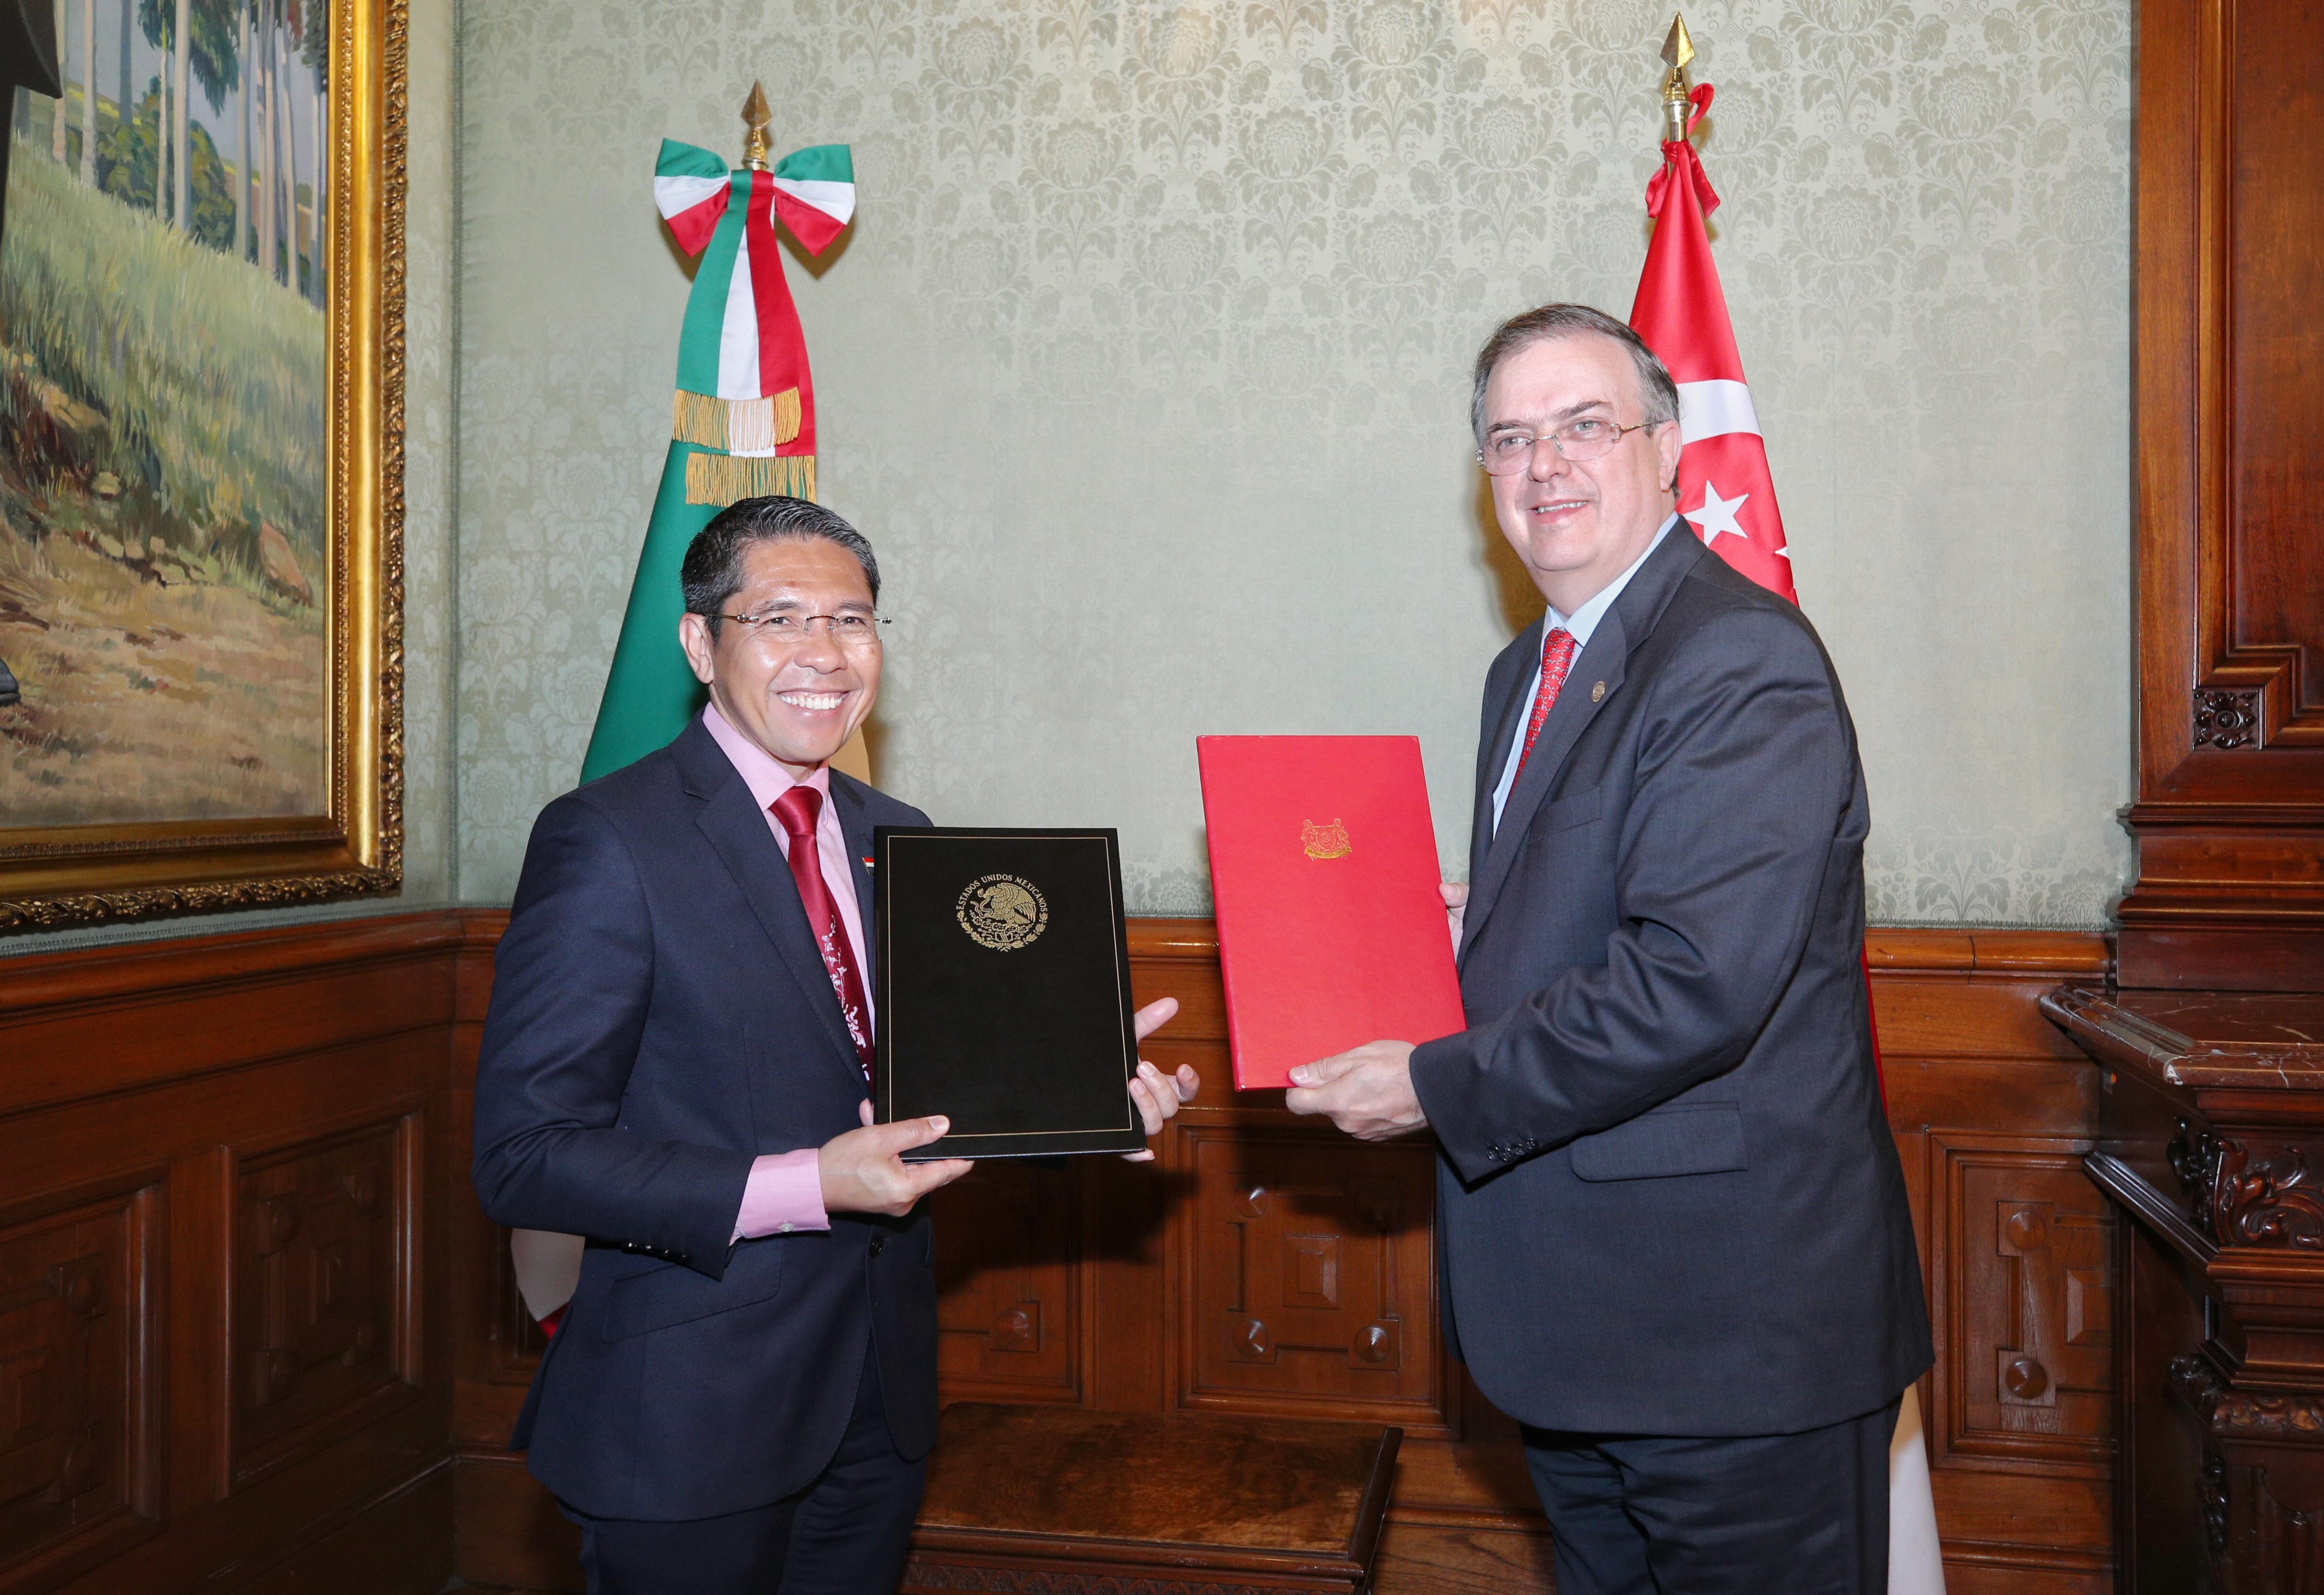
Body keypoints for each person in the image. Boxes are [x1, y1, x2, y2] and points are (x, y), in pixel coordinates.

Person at [1285, 305, 1931, 1595]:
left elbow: (1694, 981)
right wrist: (1478, 917)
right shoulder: (1526, 668)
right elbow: (1612, 897)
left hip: (1731, 1344)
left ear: (1669, 444)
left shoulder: (1737, 657)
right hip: (1588, 1332)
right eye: (1511, 441)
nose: (1546, 467)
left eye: (1586, 425)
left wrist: (1430, 1081)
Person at [472, 496, 1199, 1595]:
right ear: (698, 642)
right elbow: (524, 1152)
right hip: (689, 1414)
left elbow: (930, 1099)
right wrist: (807, 1182)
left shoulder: (895, 834)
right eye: (780, 618)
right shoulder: (607, 838)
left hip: (877, 1402)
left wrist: (1090, 1104)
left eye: (852, 621)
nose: (824, 653)